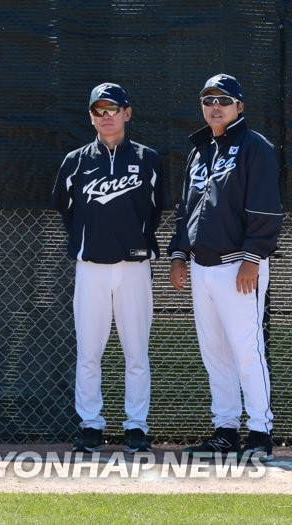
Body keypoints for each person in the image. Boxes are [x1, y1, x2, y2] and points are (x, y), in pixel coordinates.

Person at [169, 73, 282, 461]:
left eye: (223, 100)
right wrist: (179, 253)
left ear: (239, 107)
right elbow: (187, 209)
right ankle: (225, 428)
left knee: (247, 350)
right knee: (213, 351)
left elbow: (266, 206)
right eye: (207, 100)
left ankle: (260, 431)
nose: (214, 106)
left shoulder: (256, 147)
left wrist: (254, 257)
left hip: (239, 266)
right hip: (202, 267)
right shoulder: (199, 150)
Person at [52, 82, 167, 454]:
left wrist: (131, 239)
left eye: (113, 109)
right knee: (89, 351)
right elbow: (65, 208)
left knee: (136, 351)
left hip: (134, 267)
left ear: (127, 113)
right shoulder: (76, 161)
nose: (106, 117)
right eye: (99, 111)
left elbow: (156, 209)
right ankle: (90, 424)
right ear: (91, 117)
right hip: (91, 269)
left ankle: (136, 426)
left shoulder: (148, 159)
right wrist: (91, 240)